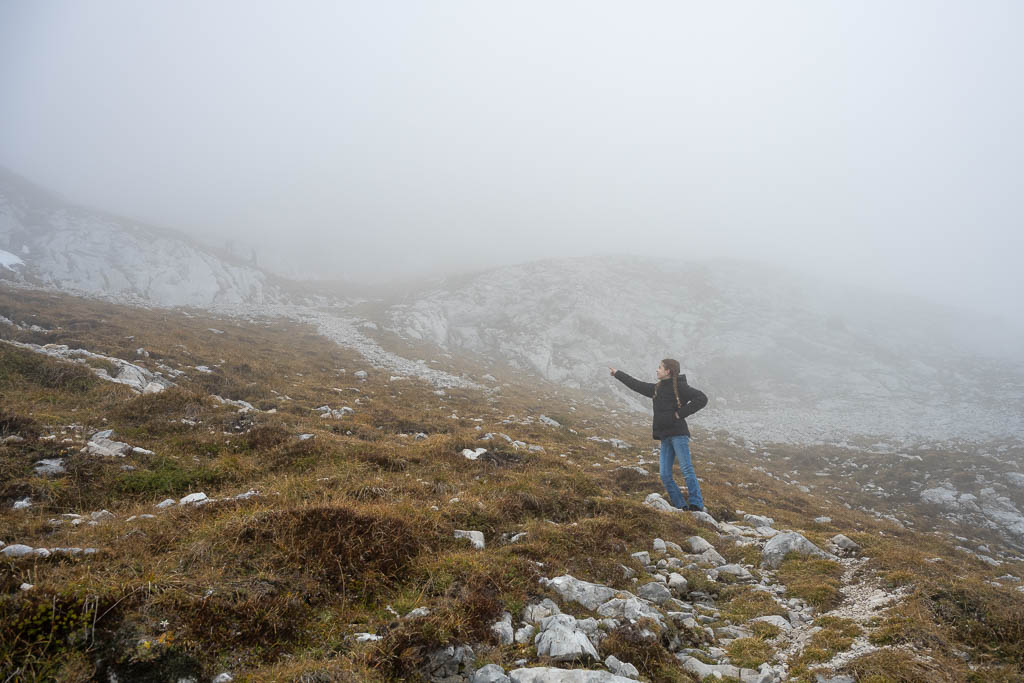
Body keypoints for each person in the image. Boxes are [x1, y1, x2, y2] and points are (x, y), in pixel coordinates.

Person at [609, 359, 708, 511]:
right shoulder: (657, 388)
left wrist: (679, 414)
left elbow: (702, 398)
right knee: (665, 475)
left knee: (687, 470)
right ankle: (681, 506)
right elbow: (636, 384)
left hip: (679, 435)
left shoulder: (681, 387)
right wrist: (617, 374)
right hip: (665, 436)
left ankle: (697, 504)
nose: (657, 370)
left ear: (668, 371)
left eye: (660, 367)